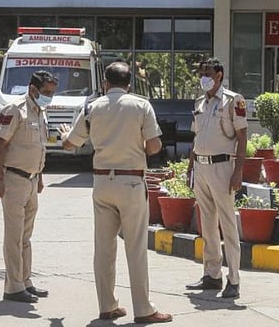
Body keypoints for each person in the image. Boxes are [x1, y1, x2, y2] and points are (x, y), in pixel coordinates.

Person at [59, 62, 172, 324]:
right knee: (136, 248)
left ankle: (107, 306)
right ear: (129, 84)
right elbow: (154, 146)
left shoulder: (92, 107)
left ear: (105, 84)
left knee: (104, 248)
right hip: (131, 182)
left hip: (101, 183)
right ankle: (143, 309)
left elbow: (70, 144)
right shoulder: (141, 105)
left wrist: (65, 134)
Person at [0, 70, 58, 303]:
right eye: (47, 92)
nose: (50, 97)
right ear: (33, 89)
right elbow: (0, 144)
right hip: (13, 180)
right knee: (14, 237)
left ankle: (25, 281)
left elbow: (38, 147)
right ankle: (13, 287)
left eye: (52, 93)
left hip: (31, 181)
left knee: (26, 237)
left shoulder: (40, 111)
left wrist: (39, 177)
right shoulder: (15, 109)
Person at [185, 58, 246, 298]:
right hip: (201, 166)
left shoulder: (233, 100)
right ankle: (212, 275)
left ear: (219, 75)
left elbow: (242, 136)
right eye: (201, 73)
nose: (204, 77)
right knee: (207, 224)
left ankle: (234, 278)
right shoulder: (200, 101)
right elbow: (196, 137)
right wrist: (190, 166)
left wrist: (238, 171)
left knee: (228, 224)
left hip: (223, 167)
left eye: (208, 72)